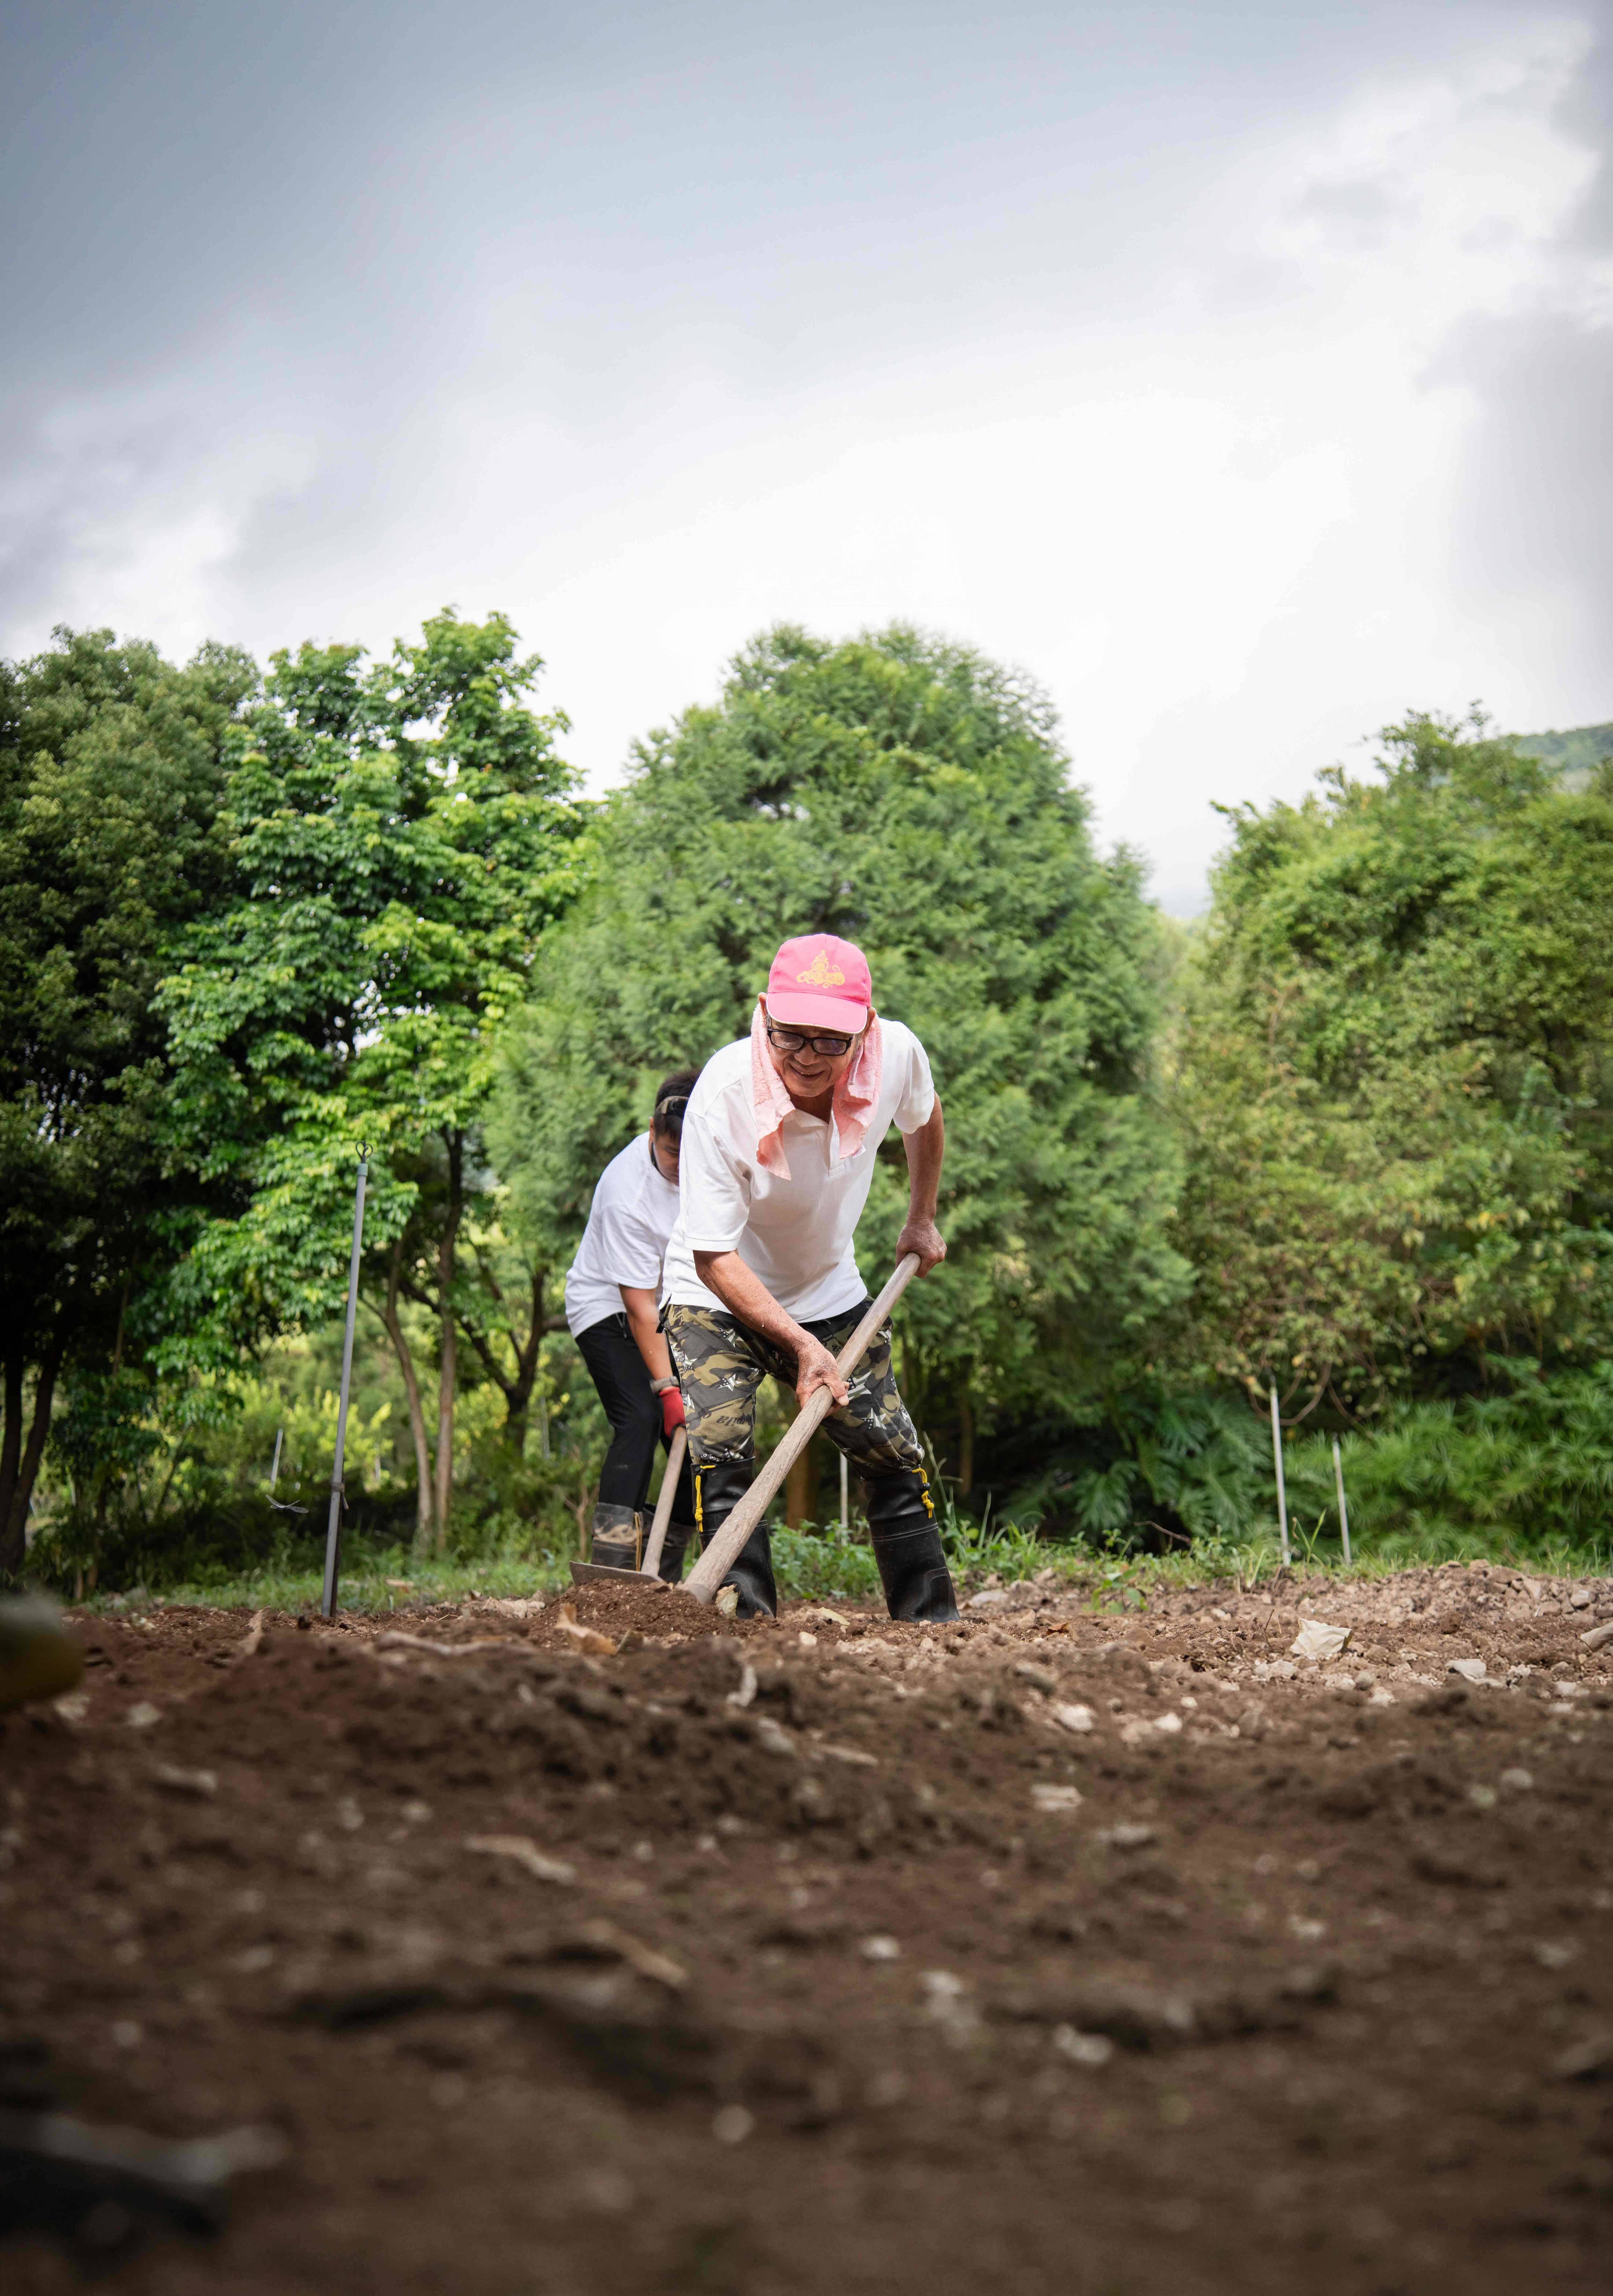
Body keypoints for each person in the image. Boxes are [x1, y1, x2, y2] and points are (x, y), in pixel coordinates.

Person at [661, 934, 958, 1622]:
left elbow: (925, 1118)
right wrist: (798, 1345)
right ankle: (746, 1624)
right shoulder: (721, 1098)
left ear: (866, 1031)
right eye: (789, 1035)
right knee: (724, 1452)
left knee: (892, 1450)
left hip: (827, 1287)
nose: (806, 1056)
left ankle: (930, 1626)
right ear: (763, 1013)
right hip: (715, 1292)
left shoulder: (897, 1057)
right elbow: (712, 1254)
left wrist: (921, 1217)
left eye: (830, 1041)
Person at [565, 1071, 701, 1574]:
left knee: (699, 1438)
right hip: (606, 1307)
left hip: (668, 1307)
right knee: (641, 1419)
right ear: (651, 1131)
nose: (681, 1168)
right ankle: (615, 1565)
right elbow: (638, 1307)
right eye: (671, 1154)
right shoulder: (629, 1194)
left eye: (691, 1156)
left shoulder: (710, 1163)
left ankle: (663, 1573)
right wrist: (668, 1392)